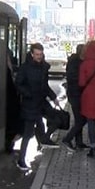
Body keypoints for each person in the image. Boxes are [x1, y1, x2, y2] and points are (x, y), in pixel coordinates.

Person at [14, 42, 60, 170]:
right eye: (37, 54)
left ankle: (44, 140)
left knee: (54, 119)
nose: (39, 57)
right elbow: (18, 83)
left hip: (40, 102)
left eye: (41, 54)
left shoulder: (44, 67)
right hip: (29, 104)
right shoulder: (25, 68)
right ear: (32, 54)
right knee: (28, 133)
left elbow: (45, 86)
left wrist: (53, 97)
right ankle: (21, 160)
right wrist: (28, 94)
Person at [60, 43, 88, 150]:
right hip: (75, 94)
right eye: (86, 50)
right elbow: (73, 77)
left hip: (78, 94)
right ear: (82, 52)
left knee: (79, 119)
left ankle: (79, 143)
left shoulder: (79, 61)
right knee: (82, 120)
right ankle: (67, 139)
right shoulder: (74, 62)